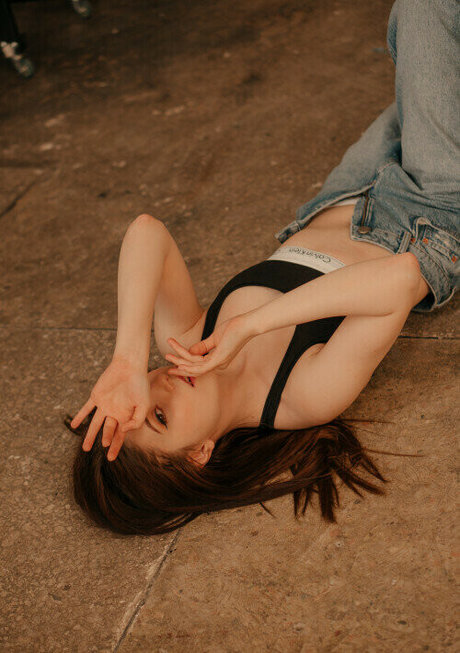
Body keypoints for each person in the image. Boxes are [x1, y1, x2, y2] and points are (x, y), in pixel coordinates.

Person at [66, 0, 459, 535]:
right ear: (200, 454)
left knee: (428, 60)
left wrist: (127, 360)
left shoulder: (188, 338)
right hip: (430, 211)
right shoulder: (302, 397)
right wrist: (252, 325)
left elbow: (146, 231)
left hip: (342, 193)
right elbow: (402, 278)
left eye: (142, 391)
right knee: (425, 12)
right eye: (159, 416)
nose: (161, 383)